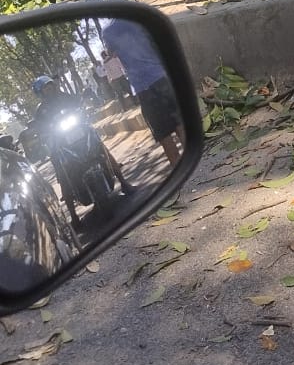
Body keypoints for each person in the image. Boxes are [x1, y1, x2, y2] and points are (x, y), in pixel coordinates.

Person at [25, 77, 133, 228]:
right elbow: (39, 128)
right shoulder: (41, 110)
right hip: (60, 142)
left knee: (102, 148)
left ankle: (124, 181)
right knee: (61, 171)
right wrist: (42, 133)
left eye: (50, 86)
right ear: (41, 93)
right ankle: (74, 216)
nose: (50, 90)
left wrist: (84, 109)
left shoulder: (65, 97)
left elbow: (80, 106)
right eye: (46, 89)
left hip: (81, 132)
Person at [102, 20, 185, 168]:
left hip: (143, 88)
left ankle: (181, 171)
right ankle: (195, 160)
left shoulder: (108, 31)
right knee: (179, 124)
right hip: (162, 77)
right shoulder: (139, 18)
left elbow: (110, 52)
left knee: (163, 134)